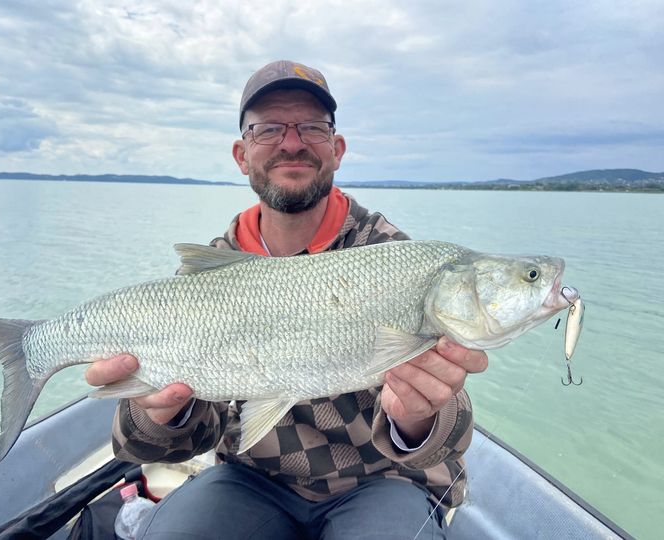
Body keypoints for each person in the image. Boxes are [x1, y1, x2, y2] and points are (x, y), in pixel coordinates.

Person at [85, 60, 488, 539]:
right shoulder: (212, 274)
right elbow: (162, 445)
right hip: (251, 478)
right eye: (269, 128)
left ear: (337, 150)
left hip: (382, 479)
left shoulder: (393, 258)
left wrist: (418, 418)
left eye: (312, 127)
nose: (292, 143)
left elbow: (449, 438)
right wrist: (160, 411)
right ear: (241, 154)